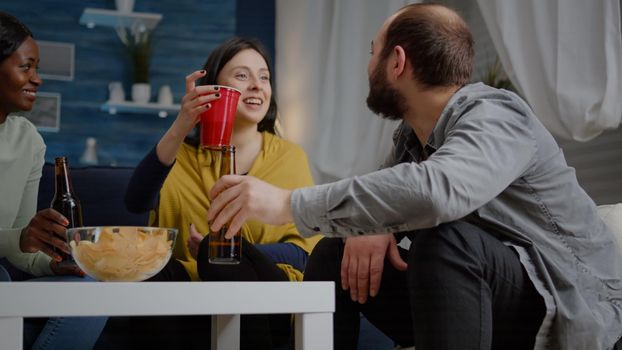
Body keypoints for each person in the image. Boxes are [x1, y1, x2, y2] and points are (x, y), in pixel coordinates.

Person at [205, 4, 622, 350]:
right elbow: (390, 198)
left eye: (373, 53)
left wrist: (285, 203)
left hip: (568, 300)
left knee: (448, 240)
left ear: (397, 61)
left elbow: (440, 191)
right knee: (337, 251)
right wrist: (370, 225)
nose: (368, 65)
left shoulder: (497, 115)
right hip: (480, 292)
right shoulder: (412, 138)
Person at [122, 37, 321, 349]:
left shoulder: (289, 157)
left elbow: (303, 254)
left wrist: (224, 251)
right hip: (190, 296)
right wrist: (181, 124)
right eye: (242, 75)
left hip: (270, 296)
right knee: (149, 275)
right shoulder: (180, 157)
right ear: (213, 89)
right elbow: (134, 203)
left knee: (219, 261)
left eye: (264, 76)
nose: (257, 85)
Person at [0, 11, 106, 349]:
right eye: (26, 66)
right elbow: (17, 239)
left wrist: (55, 261)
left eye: (37, 67)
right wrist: (21, 238)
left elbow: (22, 249)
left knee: (91, 287)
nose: (38, 79)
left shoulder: (29, 140)